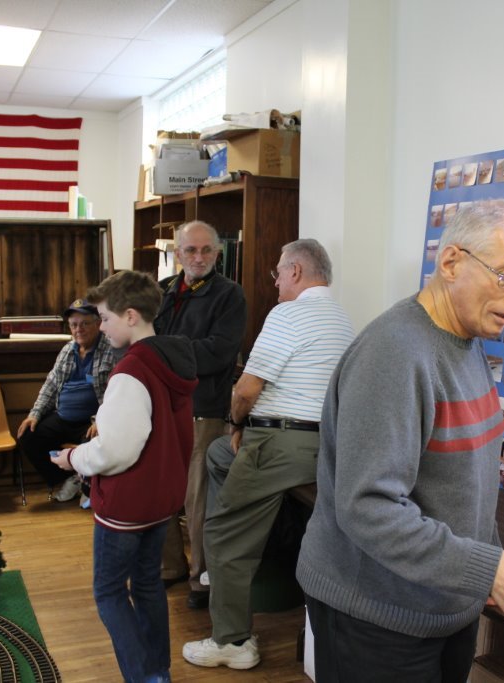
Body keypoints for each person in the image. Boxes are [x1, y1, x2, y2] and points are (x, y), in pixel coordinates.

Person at [296, 204, 504, 682]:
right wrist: (489, 570)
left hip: (445, 604)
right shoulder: (395, 353)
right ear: (451, 263)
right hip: (376, 615)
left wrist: (490, 569)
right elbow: (368, 507)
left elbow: (468, 484)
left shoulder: (466, 340)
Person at [182, 238, 355, 670]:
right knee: (220, 455)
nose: (275, 281)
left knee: (223, 536)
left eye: (278, 272)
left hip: (280, 444)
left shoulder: (288, 314)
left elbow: (247, 389)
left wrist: (235, 422)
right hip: (325, 445)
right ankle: (228, 565)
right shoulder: (342, 318)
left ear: (295, 271)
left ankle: (232, 641)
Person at [51, 269, 197, 683]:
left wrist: (74, 457)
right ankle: (158, 671)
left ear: (130, 316)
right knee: (147, 583)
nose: (101, 327)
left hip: (128, 504)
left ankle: (146, 677)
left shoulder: (132, 370)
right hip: (162, 498)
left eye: (105, 318)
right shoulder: (171, 359)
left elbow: (116, 451)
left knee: (109, 592)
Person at [153, 220, 246, 607]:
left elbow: (218, 353)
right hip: (160, 408)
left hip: (203, 410)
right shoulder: (162, 291)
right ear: (177, 254)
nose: (199, 257)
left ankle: (201, 582)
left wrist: (164, 353)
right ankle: (169, 567)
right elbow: (143, 342)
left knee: (198, 502)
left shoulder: (229, 295)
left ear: (218, 253)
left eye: (207, 249)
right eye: (191, 250)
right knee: (161, 493)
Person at [17, 299, 115, 502]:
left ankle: (88, 485)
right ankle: (68, 478)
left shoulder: (110, 350)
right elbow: (51, 385)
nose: (79, 329)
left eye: (85, 323)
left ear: (98, 324)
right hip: (62, 417)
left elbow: (115, 392)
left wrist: (101, 419)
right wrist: (35, 414)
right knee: (29, 435)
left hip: (91, 421)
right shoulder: (67, 350)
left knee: (96, 443)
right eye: (74, 325)